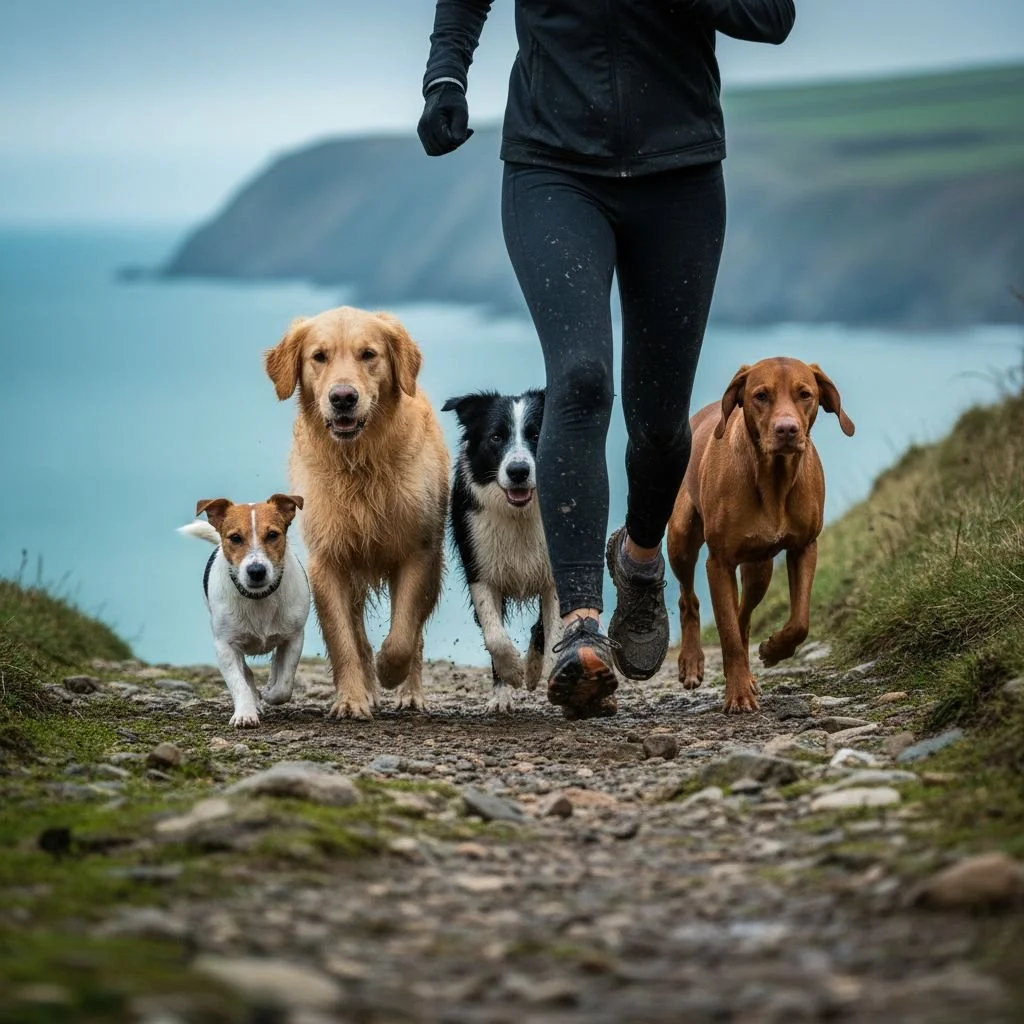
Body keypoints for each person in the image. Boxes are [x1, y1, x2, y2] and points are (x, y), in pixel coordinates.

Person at [418, 0, 795, 720]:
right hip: (551, 167)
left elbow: (771, 18)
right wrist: (445, 78)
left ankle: (642, 558)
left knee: (658, 422)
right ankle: (579, 628)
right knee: (583, 379)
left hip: (679, 171)